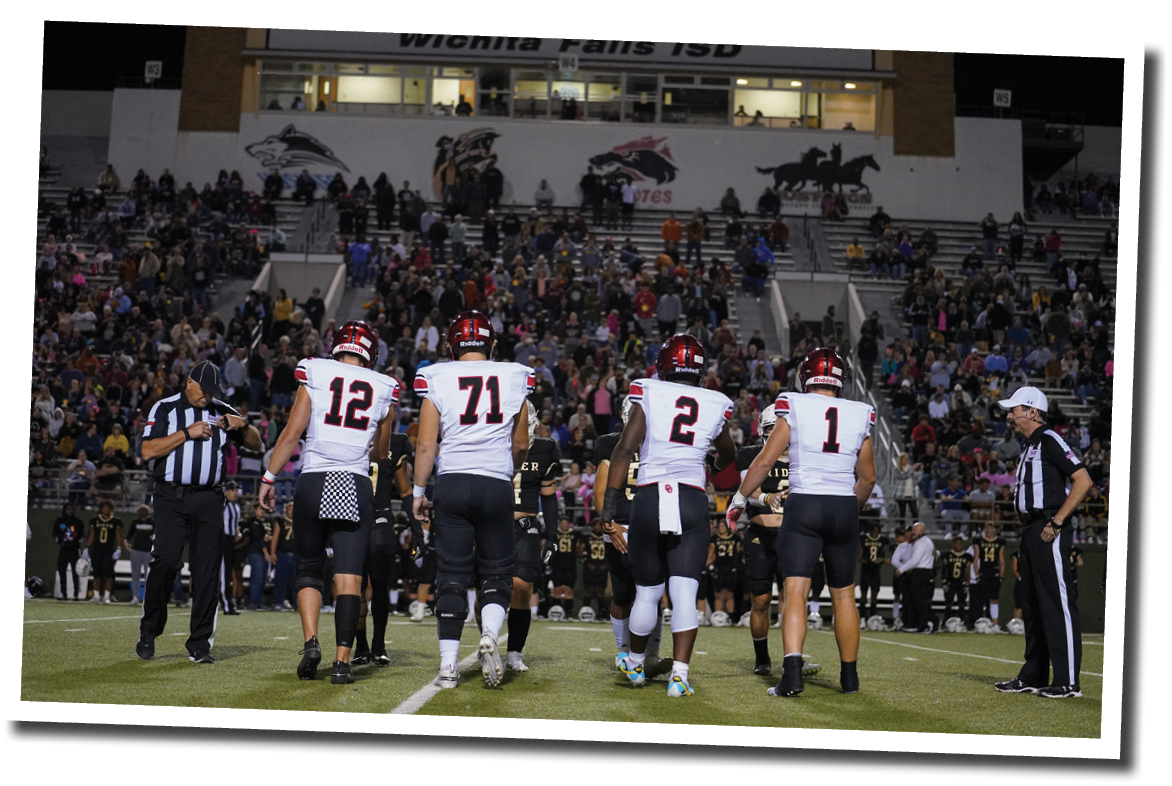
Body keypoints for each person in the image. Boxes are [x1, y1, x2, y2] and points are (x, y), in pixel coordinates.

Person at [728, 347, 876, 697]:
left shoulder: (792, 404)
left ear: (805, 377)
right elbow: (868, 478)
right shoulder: (860, 412)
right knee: (844, 596)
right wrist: (847, 510)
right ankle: (849, 679)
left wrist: (738, 498)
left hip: (805, 502)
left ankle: (792, 675)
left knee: (795, 590)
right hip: (843, 503)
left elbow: (765, 461)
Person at [259, 321, 400, 684]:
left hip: (314, 477)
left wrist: (269, 478)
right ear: (371, 351)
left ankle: (310, 643)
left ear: (337, 345)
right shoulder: (384, 386)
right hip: (353, 481)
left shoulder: (316, 371)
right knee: (350, 577)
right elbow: (382, 452)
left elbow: (292, 434)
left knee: (308, 566)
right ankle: (341, 662)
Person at [600, 334, 738, 698]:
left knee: (647, 592)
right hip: (690, 497)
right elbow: (729, 455)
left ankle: (634, 663)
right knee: (684, 591)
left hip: (649, 494)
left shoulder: (649, 391)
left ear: (664, 364)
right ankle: (679, 675)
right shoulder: (715, 402)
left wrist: (609, 508)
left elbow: (625, 449)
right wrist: (709, 463)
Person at [412, 310, 534, 689]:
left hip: (452, 482)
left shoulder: (436, 376)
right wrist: (505, 471)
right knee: (497, 571)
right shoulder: (514, 375)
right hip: (495, 481)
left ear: (451, 345)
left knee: (451, 574)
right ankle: (489, 634)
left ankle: (448, 666)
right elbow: (519, 442)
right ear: (491, 344)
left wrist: (419, 491)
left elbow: (426, 443)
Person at [137, 361, 262, 663]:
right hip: (171, 496)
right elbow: (147, 451)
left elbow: (257, 445)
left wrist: (243, 426)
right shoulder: (165, 408)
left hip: (209, 499)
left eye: (212, 392)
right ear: (190, 382)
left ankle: (200, 643)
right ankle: (149, 630)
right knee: (165, 560)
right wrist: (186, 433)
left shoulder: (221, 408)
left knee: (207, 571)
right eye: (204, 390)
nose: (208, 396)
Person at [993, 386, 1092, 698]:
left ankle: (1067, 681)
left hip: (1048, 528)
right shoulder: (1029, 444)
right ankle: (1034, 674)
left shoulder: (1049, 439)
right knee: (1033, 604)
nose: (1010, 415)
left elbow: (1083, 480)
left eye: (1015, 409)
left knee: (1056, 603)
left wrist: (1057, 521)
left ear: (1032, 412)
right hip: (1032, 530)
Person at [731, 404, 817, 677]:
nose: (777, 434)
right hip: (760, 536)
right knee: (761, 601)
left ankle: (794, 658)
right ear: (763, 431)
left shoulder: (802, 458)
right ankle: (762, 658)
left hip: (793, 536)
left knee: (794, 599)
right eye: (771, 429)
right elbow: (749, 490)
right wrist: (768, 497)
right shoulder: (752, 455)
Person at [593, 397, 671, 677]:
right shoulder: (610, 443)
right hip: (621, 525)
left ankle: (650, 656)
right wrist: (610, 526)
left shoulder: (662, 442)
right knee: (623, 594)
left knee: (653, 592)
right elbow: (600, 492)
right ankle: (623, 651)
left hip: (653, 525)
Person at [505, 400, 562, 672]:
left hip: (526, 523)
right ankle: (487, 638)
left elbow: (549, 498)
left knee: (522, 585)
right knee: (485, 590)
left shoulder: (544, 448)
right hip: (494, 523)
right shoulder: (494, 442)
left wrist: (551, 535)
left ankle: (514, 651)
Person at [890, 522, 937, 633]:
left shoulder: (921, 542)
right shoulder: (926, 542)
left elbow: (915, 560)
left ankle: (925, 624)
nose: (912, 533)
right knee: (915, 600)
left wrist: (901, 569)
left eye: (914, 530)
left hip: (920, 573)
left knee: (919, 601)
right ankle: (917, 624)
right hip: (921, 573)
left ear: (920, 530)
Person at [969, 522, 1007, 630]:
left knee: (994, 599)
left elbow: (1002, 560)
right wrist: (977, 575)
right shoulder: (978, 541)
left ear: (995, 529)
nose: (989, 530)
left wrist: (1001, 576)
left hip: (993, 572)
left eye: (991, 528)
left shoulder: (1000, 541)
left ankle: (995, 625)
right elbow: (975, 560)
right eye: (987, 528)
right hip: (983, 572)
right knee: (980, 599)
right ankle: (979, 624)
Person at [86, 500, 123, 604]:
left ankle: (107, 596)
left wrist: (119, 548)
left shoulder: (115, 521)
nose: (106, 509)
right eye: (104, 507)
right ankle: (96, 596)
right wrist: (87, 548)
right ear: (101, 508)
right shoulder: (95, 520)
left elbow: (118, 535)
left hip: (109, 550)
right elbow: (92, 535)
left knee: (108, 574)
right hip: (97, 550)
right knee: (96, 574)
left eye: (108, 507)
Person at [123, 504, 155, 605]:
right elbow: (129, 534)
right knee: (135, 574)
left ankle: (148, 597)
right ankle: (135, 596)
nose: (142, 513)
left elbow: (159, 534)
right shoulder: (135, 522)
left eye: (144, 511)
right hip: (136, 551)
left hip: (148, 552)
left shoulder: (153, 522)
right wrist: (126, 541)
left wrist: (155, 537)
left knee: (148, 576)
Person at [53, 503, 85, 601]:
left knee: (76, 573)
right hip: (64, 550)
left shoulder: (78, 522)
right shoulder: (59, 521)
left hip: (74, 550)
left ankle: (76, 594)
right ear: (64, 510)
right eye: (67, 509)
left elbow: (82, 535)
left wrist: (76, 541)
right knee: (62, 572)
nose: (69, 511)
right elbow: (55, 533)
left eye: (71, 509)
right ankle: (64, 594)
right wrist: (60, 541)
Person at [219, 481, 242, 615]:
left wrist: (237, 532)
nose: (235, 492)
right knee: (224, 574)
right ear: (226, 491)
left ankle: (227, 602)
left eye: (236, 490)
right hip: (222, 540)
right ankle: (227, 605)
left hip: (231, 540)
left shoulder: (236, 506)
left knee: (228, 573)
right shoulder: (222, 504)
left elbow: (234, 523)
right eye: (232, 490)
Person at [940, 536, 974, 622]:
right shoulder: (947, 555)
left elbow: (968, 570)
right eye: (956, 543)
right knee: (948, 603)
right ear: (953, 544)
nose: (958, 545)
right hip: (950, 581)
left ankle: (961, 621)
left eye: (960, 543)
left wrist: (967, 582)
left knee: (962, 604)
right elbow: (944, 569)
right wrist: (944, 581)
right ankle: (947, 620)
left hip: (961, 582)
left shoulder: (967, 556)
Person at [858, 522, 887, 620]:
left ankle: (872, 616)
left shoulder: (882, 540)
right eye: (873, 531)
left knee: (874, 593)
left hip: (875, 569)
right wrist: (865, 561)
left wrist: (881, 560)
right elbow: (859, 556)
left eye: (877, 531)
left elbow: (884, 554)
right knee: (864, 593)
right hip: (866, 568)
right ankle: (862, 616)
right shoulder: (863, 539)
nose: (875, 533)